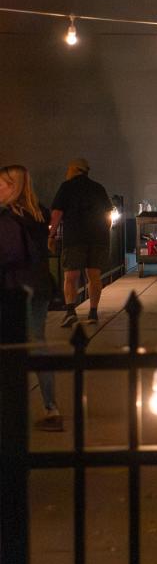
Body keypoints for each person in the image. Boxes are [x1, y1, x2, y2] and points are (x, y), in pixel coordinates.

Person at [0, 165, 60, 431]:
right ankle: (50, 406)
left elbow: (11, 254)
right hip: (41, 285)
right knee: (38, 344)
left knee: (13, 349)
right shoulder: (38, 213)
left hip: (16, 288)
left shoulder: (8, 217)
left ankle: (14, 412)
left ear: (13, 186)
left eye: (0, 184)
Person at [49, 158, 111, 326]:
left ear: (75, 169)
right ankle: (93, 313)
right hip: (98, 238)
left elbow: (57, 214)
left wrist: (51, 235)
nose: (66, 172)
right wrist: (106, 235)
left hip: (75, 237)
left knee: (71, 276)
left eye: (68, 168)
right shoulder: (98, 188)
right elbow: (108, 216)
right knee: (94, 276)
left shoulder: (66, 187)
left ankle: (70, 312)